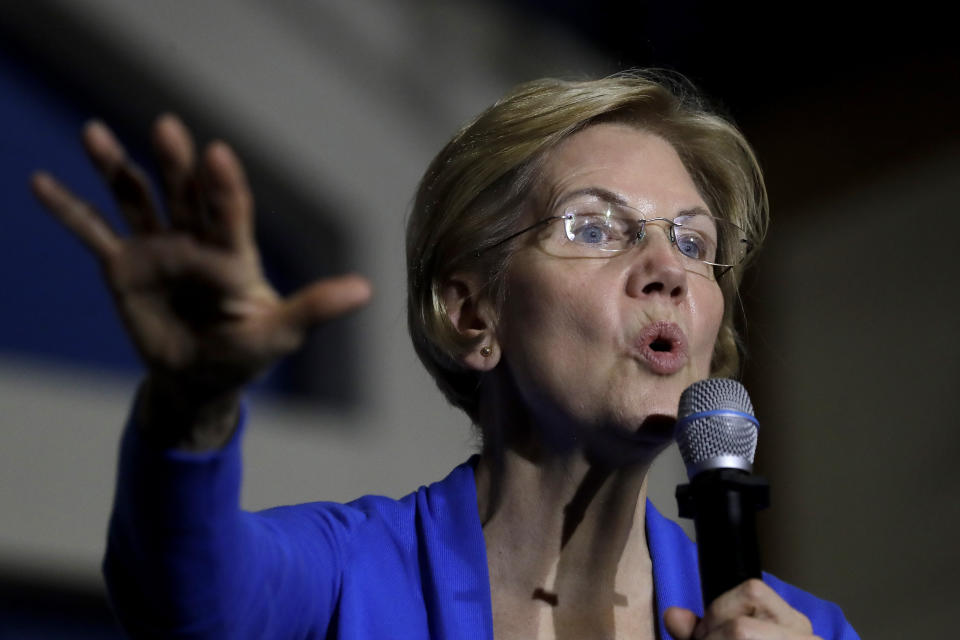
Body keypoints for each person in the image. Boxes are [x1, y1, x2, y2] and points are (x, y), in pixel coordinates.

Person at [32, 71, 859, 639]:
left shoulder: (806, 632)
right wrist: (192, 402)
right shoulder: (349, 578)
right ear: (473, 313)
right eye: (596, 227)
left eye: (692, 240)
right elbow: (184, 595)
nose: (667, 270)